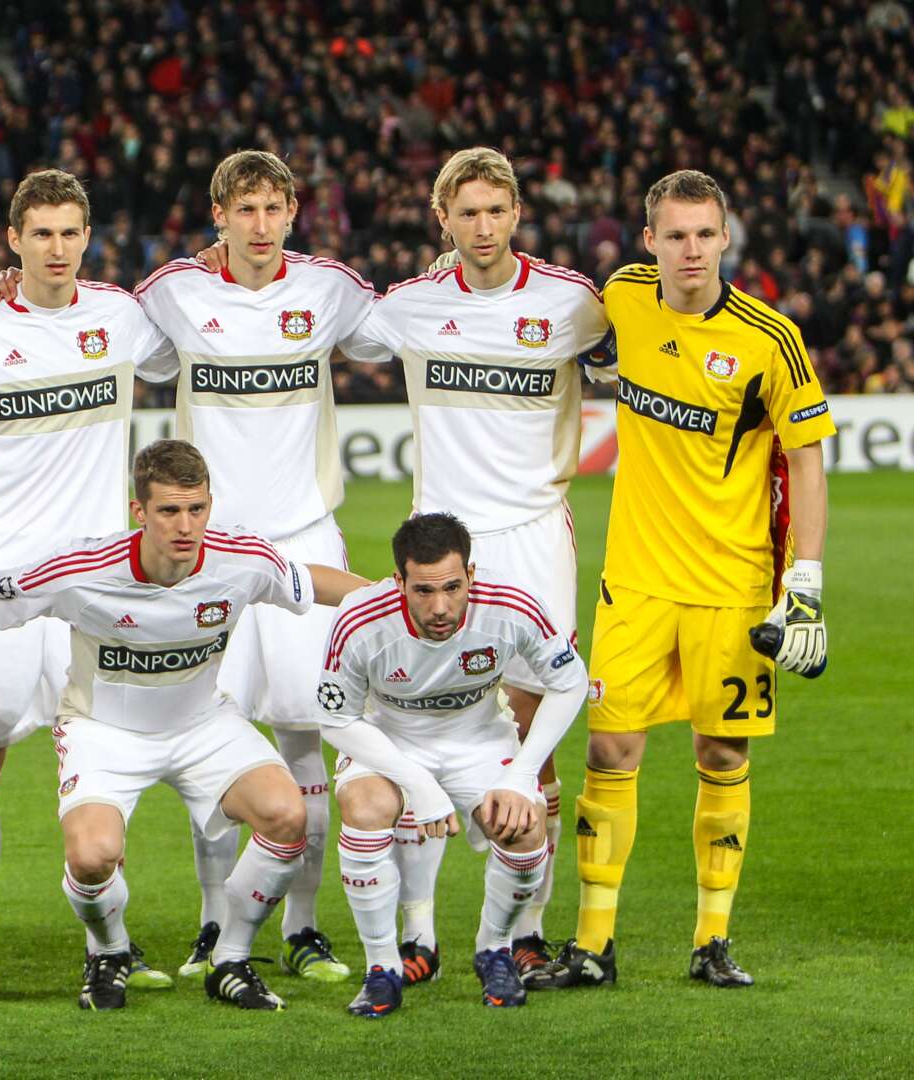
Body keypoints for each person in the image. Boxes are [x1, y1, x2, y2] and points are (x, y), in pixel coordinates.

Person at [530, 170, 834, 991]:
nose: (691, 249)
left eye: (705, 233)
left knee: (721, 751)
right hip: (634, 578)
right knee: (609, 747)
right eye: (676, 234)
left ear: (726, 237)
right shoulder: (624, 297)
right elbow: (564, 324)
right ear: (648, 241)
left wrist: (803, 581)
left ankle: (712, 941)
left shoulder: (770, 339)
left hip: (731, 587)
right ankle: (593, 947)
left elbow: (805, 457)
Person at [0, 440, 368, 1011]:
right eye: (169, 511)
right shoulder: (80, 571)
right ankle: (110, 950)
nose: (185, 525)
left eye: (196, 509)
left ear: (210, 506)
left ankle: (232, 958)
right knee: (92, 856)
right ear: (138, 511)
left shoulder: (243, 560)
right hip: (103, 732)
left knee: (288, 814)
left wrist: (392, 598)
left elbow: (313, 582)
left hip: (201, 723)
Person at [338, 147, 609, 981]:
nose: (483, 227)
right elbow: (321, 320)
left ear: (516, 213)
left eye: (497, 211)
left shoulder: (572, 303)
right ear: (441, 217)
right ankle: (418, 928)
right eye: (468, 212)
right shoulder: (412, 306)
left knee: (535, 732)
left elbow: (638, 345)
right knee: (410, 716)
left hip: (531, 533)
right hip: (438, 540)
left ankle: (525, 926)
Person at [0, 168, 171, 995]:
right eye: (42, 233)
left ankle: (112, 941)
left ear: (87, 238)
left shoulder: (121, 316)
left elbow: (195, 337)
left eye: (71, 233)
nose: (57, 249)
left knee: (104, 765)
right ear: (13, 240)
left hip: (97, 590)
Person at [130, 149, 376, 984]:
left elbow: (402, 322)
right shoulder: (173, 291)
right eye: (246, 211)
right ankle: (214, 922)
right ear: (219, 219)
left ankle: (303, 926)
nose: (261, 226)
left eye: (274, 209)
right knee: (208, 733)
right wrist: (4, 291)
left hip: (307, 537)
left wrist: (456, 263)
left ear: (293, 213)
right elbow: (102, 327)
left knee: (308, 735)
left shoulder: (331, 288)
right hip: (210, 549)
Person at [316, 513, 587, 1018]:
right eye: (422, 591)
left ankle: (495, 950)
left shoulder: (510, 607)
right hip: (390, 740)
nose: (440, 607)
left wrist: (522, 773)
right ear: (398, 581)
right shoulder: (360, 619)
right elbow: (335, 719)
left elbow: (570, 682)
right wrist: (415, 781)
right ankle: (382, 968)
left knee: (526, 828)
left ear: (471, 575)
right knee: (364, 805)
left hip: (479, 737)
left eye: (452, 587)